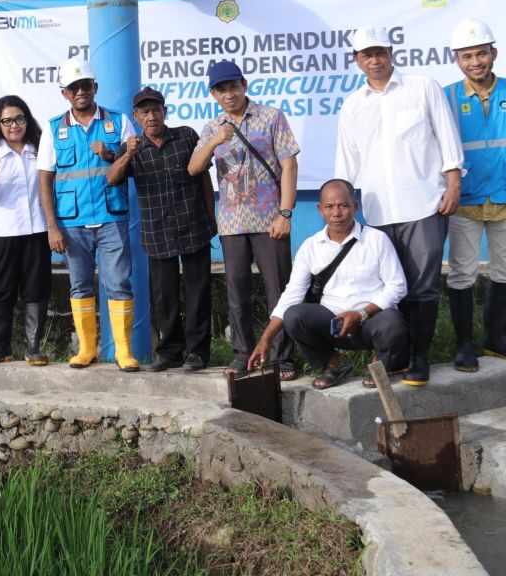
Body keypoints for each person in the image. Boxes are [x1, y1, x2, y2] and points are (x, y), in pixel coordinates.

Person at [336, 26, 463, 387]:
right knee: (389, 289)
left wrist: (453, 182)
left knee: (423, 289)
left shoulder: (423, 87)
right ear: (357, 60)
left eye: (380, 52)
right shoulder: (353, 104)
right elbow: (346, 163)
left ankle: (420, 358)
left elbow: (447, 137)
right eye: (366, 55)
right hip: (377, 213)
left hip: (424, 205)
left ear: (391, 52)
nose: (374, 60)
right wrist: (345, 211)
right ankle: (395, 358)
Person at [188, 59, 300, 380]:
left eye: (233, 87)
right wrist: (213, 141)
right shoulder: (213, 127)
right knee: (237, 292)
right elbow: (194, 168)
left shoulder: (271, 117)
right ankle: (243, 354)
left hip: (270, 221)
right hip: (232, 224)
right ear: (213, 93)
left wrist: (286, 212)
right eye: (221, 89)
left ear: (244, 85)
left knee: (278, 290)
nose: (229, 94)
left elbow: (289, 166)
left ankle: (282, 358)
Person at [249, 179, 408, 390]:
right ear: (320, 209)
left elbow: (397, 286)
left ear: (355, 207)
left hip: (370, 322)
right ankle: (333, 365)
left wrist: (361, 314)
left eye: (343, 205)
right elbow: (292, 295)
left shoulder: (377, 240)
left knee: (392, 321)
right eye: (329, 207)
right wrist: (266, 339)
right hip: (333, 326)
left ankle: (381, 364)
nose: (336, 213)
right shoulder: (311, 247)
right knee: (294, 316)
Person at [38, 57, 140, 371]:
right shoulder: (53, 129)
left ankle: (124, 352)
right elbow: (45, 180)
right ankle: (86, 349)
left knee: (119, 284)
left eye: (85, 85)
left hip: (111, 218)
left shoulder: (119, 122)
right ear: (64, 93)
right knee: (80, 286)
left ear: (94, 87)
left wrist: (112, 155)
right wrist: (52, 227)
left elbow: (130, 166)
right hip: (71, 223)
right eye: (73, 87)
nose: (80, 91)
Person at [108, 87, 216, 371]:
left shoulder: (186, 136)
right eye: (145, 112)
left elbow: (204, 178)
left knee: (197, 292)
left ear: (164, 111)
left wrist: (211, 216)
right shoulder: (132, 147)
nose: (151, 116)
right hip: (157, 232)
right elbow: (112, 178)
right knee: (163, 295)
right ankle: (169, 351)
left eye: (156, 110)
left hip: (194, 225)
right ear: (136, 117)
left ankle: (198, 352)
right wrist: (128, 155)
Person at [0, 95, 52, 366]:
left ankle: (33, 347)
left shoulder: (39, 149)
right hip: (4, 232)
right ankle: (0, 346)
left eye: (19, 119)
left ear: (27, 120)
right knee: (2, 290)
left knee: (36, 289)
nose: (14, 125)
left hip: (37, 230)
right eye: (7, 120)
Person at [444, 18, 506, 370]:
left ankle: (496, 339)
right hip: (464, 199)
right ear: (457, 59)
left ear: (493, 53)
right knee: (462, 273)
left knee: (504, 270)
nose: (475, 62)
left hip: (504, 195)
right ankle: (464, 345)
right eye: (467, 56)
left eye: (481, 53)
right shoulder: (447, 96)